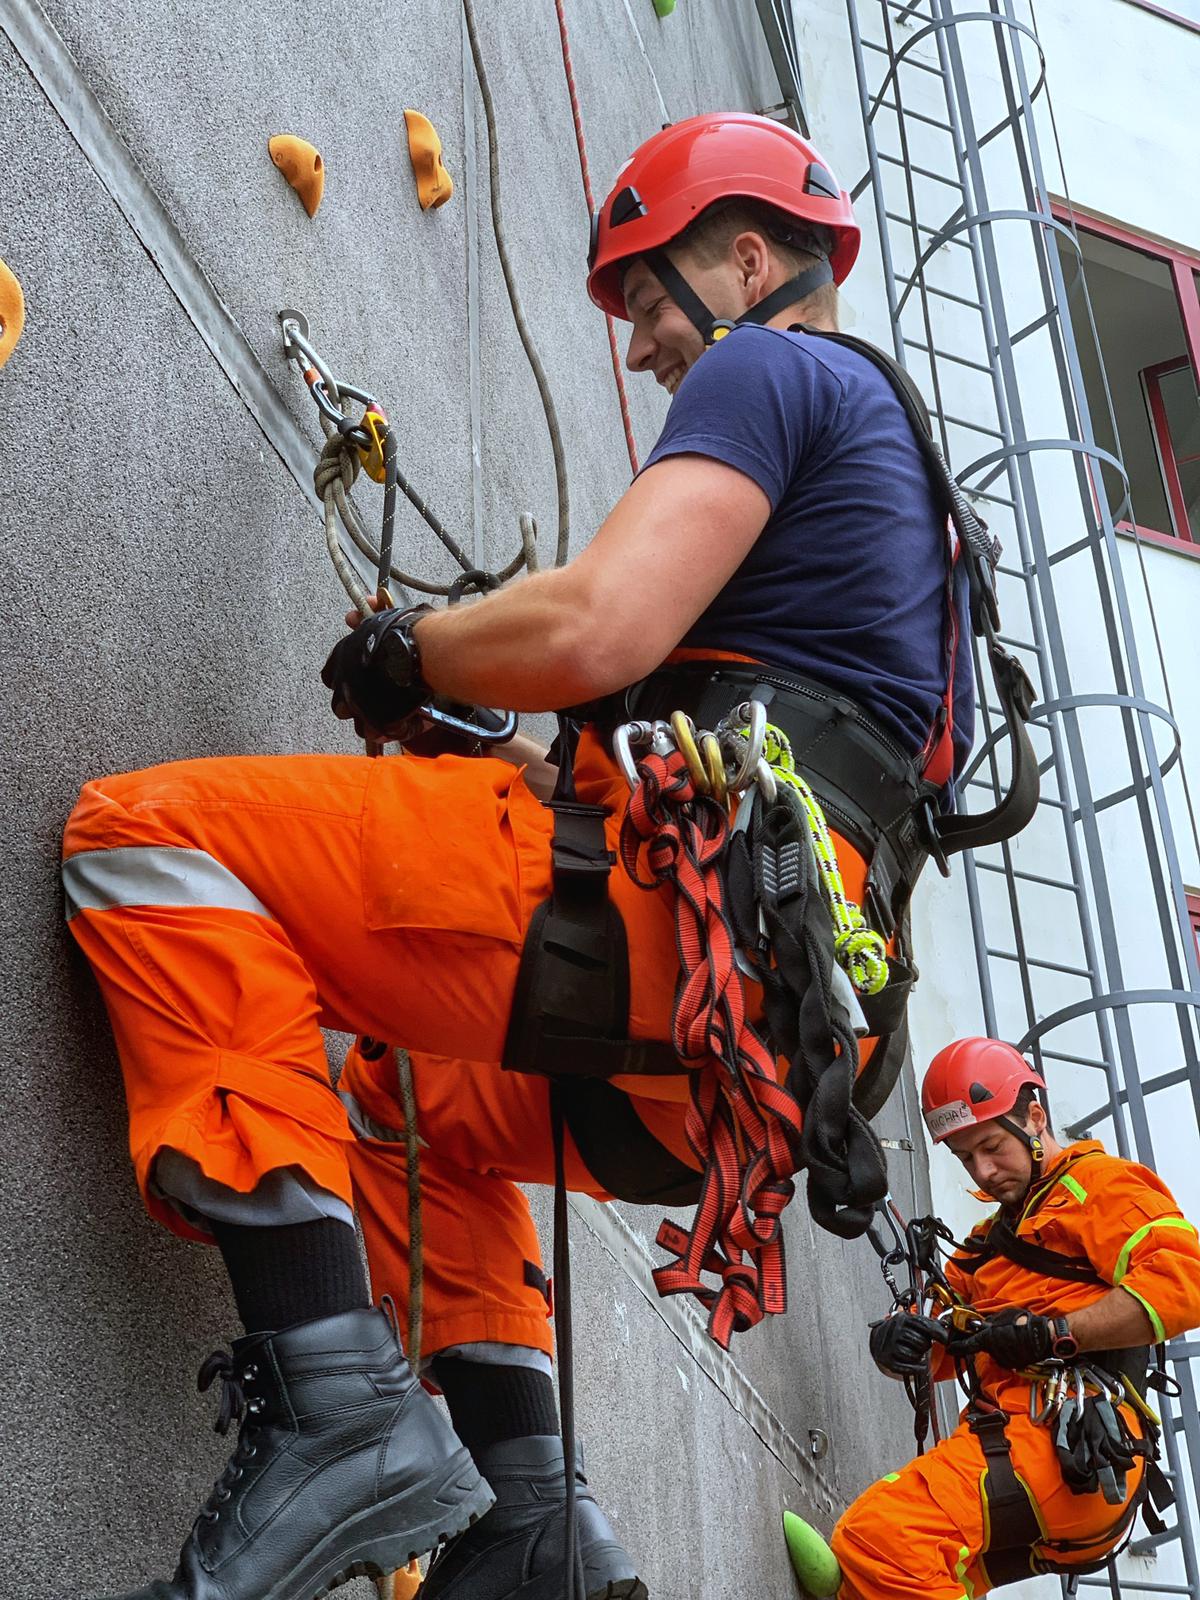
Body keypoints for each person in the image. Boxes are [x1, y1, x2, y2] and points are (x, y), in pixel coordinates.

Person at [62, 112, 974, 1600]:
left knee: (146, 843)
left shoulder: (776, 365)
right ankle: (529, 1516)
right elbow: (722, 733)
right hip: (722, 1071)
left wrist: (411, 647)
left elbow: (595, 625)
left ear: (748, 261)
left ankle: (333, 1408)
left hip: (657, 935)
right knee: (392, 1108)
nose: (638, 349)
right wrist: (494, 744)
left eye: (652, 299)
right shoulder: (913, 533)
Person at [783, 1036, 1200, 1600]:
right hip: (1023, 1451)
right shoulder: (987, 1243)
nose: (983, 1171)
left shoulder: (1102, 1187)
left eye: (991, 1146)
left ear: (1034, 1116)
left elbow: (1186, 1283)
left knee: (881, 1539)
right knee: (876, 1584)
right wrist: (899, 1341)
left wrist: (1055, 1334)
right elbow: (939, 1347)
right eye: (964, 1157)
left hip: (1070, 1447)